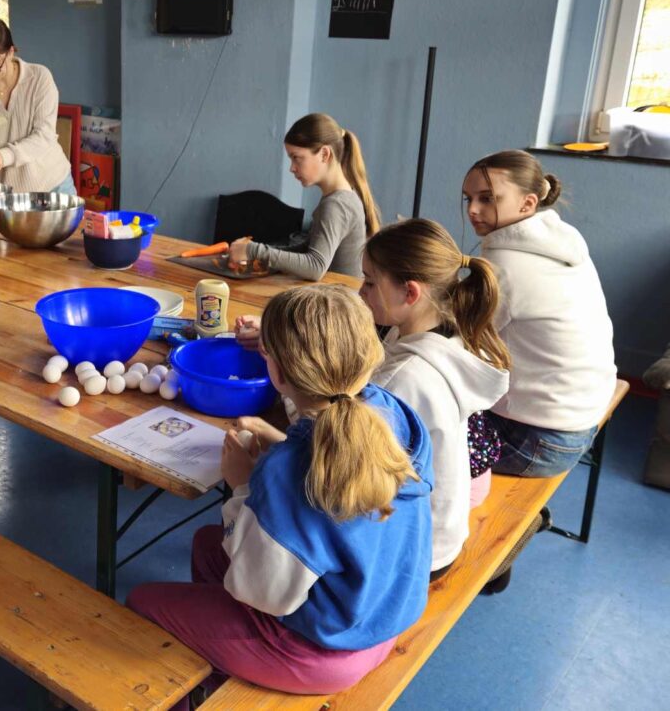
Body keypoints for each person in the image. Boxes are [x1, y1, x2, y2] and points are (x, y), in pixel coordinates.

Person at [127, 285, 432, 703]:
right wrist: (282, 444)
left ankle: (210, 683)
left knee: (142, 602)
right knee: (206, 545)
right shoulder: (394, 416)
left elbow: (260, 591)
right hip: (381, 617)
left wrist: (242, 485)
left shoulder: (284, 472)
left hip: (321, 652)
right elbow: (331, 494)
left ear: (280, 375)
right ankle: (222, 658)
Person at [360, 218, 510, 579]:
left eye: (369, 282)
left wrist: (295, 392)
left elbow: (347, 457)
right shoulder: (444, 336)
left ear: (410, 293)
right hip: (441, 534)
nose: (360, 292)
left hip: (414, 555)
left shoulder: (405, 377)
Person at [462, 151, 616, 478]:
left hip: (538, 441)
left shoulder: (504, 266)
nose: (473, 209)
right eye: (469, 198)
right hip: (583, 416)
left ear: (528, 203)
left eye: (487, 198)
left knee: (409, 434)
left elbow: (465, 347)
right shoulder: (561, 241)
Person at [227, 113, 380, 280]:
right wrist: (255, 253)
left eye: (296, 158)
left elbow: (315, 267)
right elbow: (306, 250)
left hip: (338, 297)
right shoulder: (343, 197)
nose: (292, 168)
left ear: (324, 154)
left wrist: (254, 250)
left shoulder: (336, 204)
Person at [0, 18, 74, 194]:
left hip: (53, 185)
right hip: (7, 194)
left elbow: (44, 136)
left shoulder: (39, 78)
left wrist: (5, 155)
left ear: (10, 52)